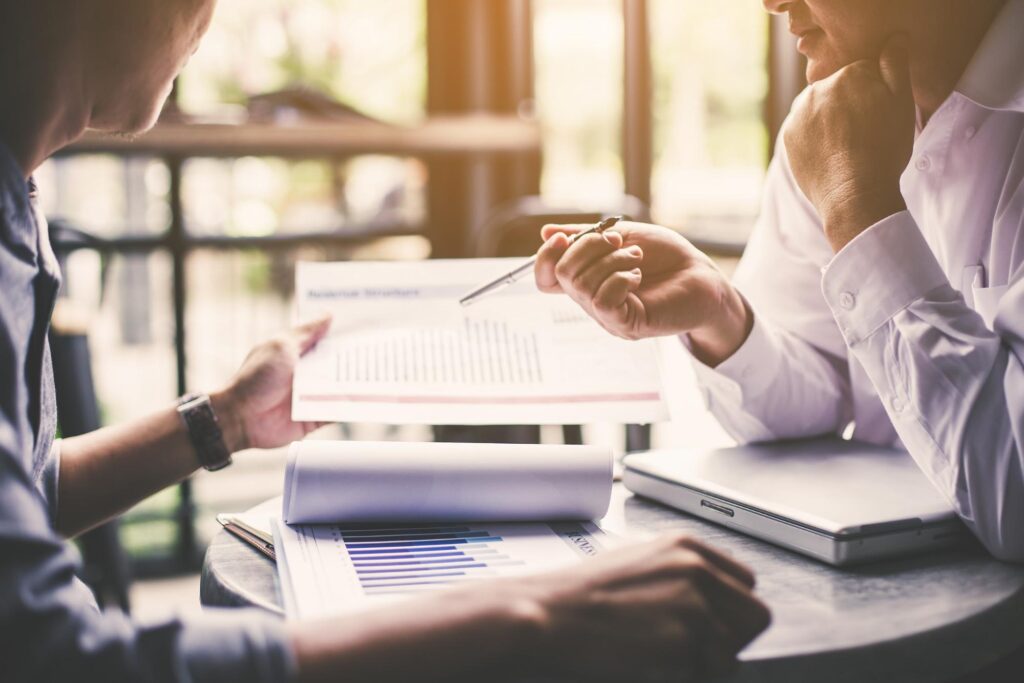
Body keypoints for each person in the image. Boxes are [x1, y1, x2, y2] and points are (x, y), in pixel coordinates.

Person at [0, 1, 771, 681]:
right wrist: (524, 615)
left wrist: (228, 416)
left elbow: (23, 505)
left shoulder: (18, 202)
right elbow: (51, 658)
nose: (213, 18)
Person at [537, 0, 1024, 561]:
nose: (771, 3)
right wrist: (722, 315)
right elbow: (811, 406)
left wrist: (858, 209)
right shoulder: (832, 120)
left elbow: (1016, 501)